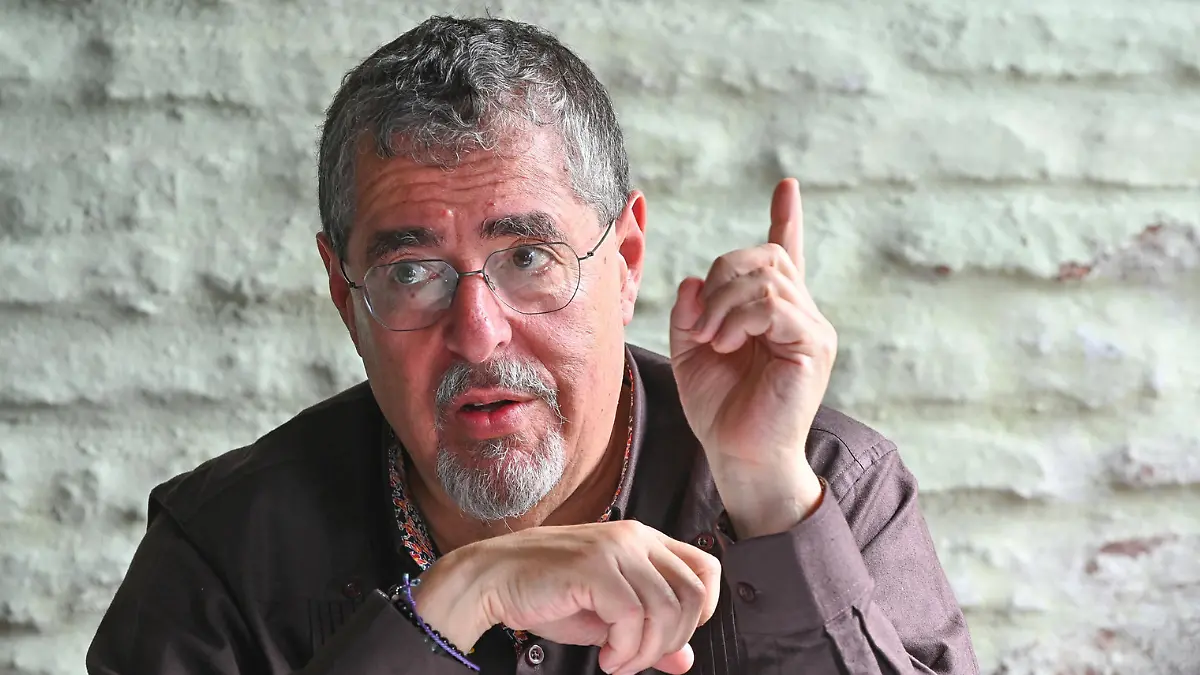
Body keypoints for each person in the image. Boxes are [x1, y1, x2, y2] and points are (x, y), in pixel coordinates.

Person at [87, 15, 978, 675]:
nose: (478, 332)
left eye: (527, 257)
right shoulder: (224, 552)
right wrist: (456, 601)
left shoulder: (831, 489)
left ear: (625, 260)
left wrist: (767, 496)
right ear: (343, 292)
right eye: (411, 272)